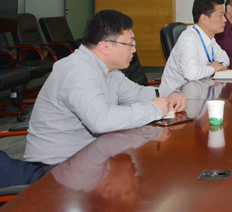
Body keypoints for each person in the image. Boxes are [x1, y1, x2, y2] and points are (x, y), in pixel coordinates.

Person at [23, 10, 185, 166]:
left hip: (88, 156)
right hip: (55, 166)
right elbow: (101, 120)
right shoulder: (78, 70)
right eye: (130, 44)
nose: (133, 50)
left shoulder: (108, 71)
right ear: (105, 47)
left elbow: (138, 93)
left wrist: (170, 93)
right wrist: (154, 109)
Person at [160, 0, 231, 95]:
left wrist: (218, 65)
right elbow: (191, 73)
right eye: (220, 15)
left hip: (197, 90)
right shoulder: (189, 38)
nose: (225, 19)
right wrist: (212, 68)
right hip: (175, 96)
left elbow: (225, 58)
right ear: (204, 18)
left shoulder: (209, 37)